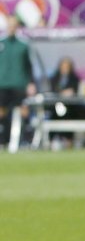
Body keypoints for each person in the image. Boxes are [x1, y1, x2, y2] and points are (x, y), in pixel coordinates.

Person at [0, 11, 36, 148]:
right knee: (1, 112)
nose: (11, 27)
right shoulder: (1, 43)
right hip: (2, 84)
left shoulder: (23, 45)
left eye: (14, 25)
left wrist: (31, 83)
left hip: (19, 84)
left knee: (23, 111)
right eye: (9, 25)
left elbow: (29, 66)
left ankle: (25, 140)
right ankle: (3, 140)